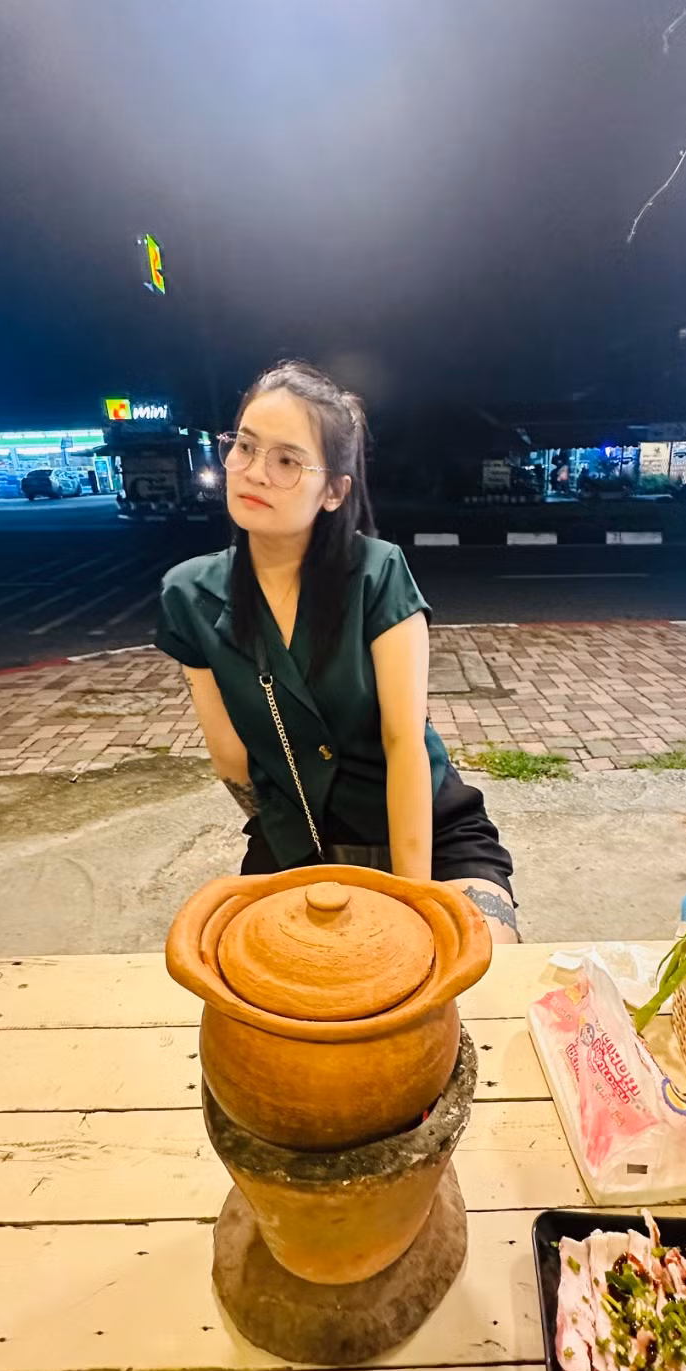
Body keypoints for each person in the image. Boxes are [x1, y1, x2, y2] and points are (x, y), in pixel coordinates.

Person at [155, 360, 518, 941]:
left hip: (427, 834)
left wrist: (413, 904)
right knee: (256, 977)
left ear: (333, 492)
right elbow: (230, 761)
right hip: (295, 841)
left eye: (287, 461)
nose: (255, 472)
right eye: (244, 446)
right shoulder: (189, 594)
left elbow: (405, 745)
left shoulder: (378, 573)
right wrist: (293, 844)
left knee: (469, 959)